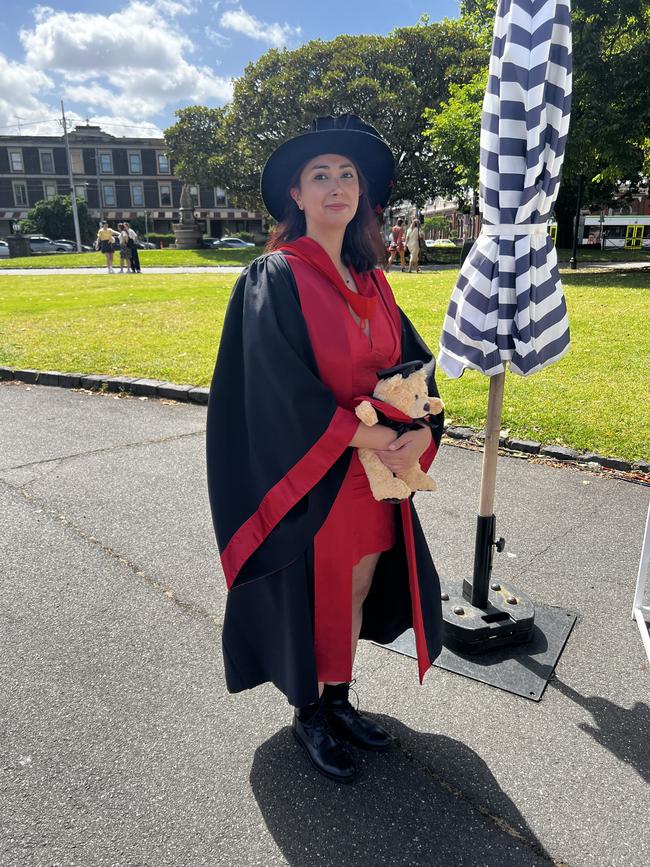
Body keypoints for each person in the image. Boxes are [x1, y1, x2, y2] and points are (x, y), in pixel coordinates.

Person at [206, 115, 445, 785]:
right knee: (319, 591)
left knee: (360, 584)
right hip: (311, 476)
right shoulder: (274, 277)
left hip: (373, 478)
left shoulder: (373, 281)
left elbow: (413, 365)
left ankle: (338, 697)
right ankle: (309, 710)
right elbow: (277, 391)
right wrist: (379, 435)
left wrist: (421, 426)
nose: (336, 186)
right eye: (321, 176)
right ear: (297, 195)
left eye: (348, 175)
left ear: (363, 194)